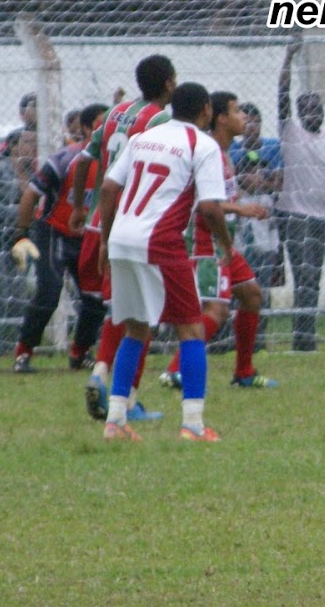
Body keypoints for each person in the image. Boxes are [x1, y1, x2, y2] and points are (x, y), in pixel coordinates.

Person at [96, 82, 230, 442]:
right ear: (206, 110)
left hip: (122, 238)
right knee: (191, 330)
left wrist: (105, 240)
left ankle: (115, 421)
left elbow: (108, 188)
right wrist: (226, 244)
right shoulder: (202, 144)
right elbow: (210, 207)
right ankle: (193, 425)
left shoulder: (144, 137)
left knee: (136, 329)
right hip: (159, 241)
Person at [69, 55, 176, 423]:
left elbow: (82, 161)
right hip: (132, 223)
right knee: (139, 312)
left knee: (122, 308)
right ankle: (126, 397)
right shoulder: (161, 121)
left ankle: (102, 373)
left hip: (98, 222)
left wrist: (79, 206)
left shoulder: (115, 113)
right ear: (168, 83)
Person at [160, 91, 277, 390]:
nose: (244, 117)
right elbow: (205, 204)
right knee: (217, 310)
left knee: (251, 295)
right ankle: (174, 370)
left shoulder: (224, 152)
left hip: (222, 240)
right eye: (237, 111)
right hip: (206, 241)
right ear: (221, 118)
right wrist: (241, 209)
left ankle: (244, 372)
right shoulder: (208, 150)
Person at [10, 102, 109, 372]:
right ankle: (23, 353)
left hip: (89, 235)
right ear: (86, 129)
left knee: (95, 296)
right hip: (54, 231)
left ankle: (80, 352)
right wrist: (21, 233)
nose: (108, 129)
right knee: (49, 292)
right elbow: (31, 194)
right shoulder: (66, 159)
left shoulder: (117, 162)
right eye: (102, 123)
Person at [275, 42, 325, 352]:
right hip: (295, 215)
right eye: (307, 108)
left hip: (322, 217)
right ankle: (303, 339)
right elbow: (282, 94)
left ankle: (304, 337)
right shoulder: (291, 132)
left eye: (317, 108)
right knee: (304, 276)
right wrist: (288, 56)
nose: (314, 113)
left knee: (313, 279)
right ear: (298, 113)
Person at [230, 102, 285, 349]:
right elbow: (235, 181)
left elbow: (277, 181)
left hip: (266, 227)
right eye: (247, 120)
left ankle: (259, 338)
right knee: (240, 286)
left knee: (263, 285)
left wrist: (254, 181)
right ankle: (235, 338)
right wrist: (248, 180)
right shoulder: (231, 149)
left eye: (255, 121)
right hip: (241, 229)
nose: (251, 126)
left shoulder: (273, 146)